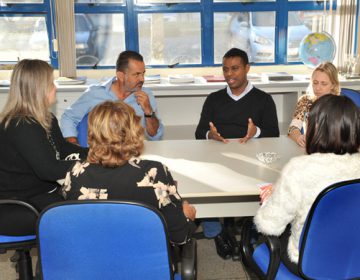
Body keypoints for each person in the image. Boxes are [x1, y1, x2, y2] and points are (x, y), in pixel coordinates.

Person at [62, 100, 196, 245]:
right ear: (134, 133)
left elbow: (70, 225)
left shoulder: (75, 173)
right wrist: (187, 217)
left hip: (90, 259)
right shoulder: (154, 173)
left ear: (92, 133)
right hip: (144, 263)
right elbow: (179, 237)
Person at [254, 94, 360, 275]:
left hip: (309, 263)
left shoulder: (299, 169)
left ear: (316, 127)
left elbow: (270, 224)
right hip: (355, 257)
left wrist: (272, 198)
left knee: (255, 240)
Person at [195, 48, 279, 260]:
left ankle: (253, 227)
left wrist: (256, 132)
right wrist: (210, 135)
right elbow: (199, 132)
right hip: (217, 158)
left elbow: (274, 134)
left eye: (235, 69)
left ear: (247, 69)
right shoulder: (213, 98)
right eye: (225, 69)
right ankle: (216, 231)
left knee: (270, 185)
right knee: (201, 188)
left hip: (251, 159)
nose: (229, 74)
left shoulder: (263, 100)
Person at [0, 59, 87, 215]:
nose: (55, 88)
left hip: (41, 195)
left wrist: (96, 152)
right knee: (86, 210)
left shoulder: (46, 117)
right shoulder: (21, 125)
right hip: (19, 205)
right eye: (51, 83)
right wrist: (91, 163)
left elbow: (63, 148)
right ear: (38, 89)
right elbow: (49, 170)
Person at [60, 50, 164, 144]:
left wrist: (148, 112)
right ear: (121, 75)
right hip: (100, 156)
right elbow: (68, 117)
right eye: (136, 74)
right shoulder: (95, 93)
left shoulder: (146, 95)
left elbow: (155, 136)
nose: (142, 79)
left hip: (132, 153)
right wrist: (73, 146)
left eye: (143, 73)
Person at [288, 61, 340, 147]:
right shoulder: (305, 101)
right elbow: (293, 128)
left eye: (324, 84)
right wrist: (298, 137)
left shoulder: (340, 104)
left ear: (333, 85)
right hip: (311, 149)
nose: (318, 88)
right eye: (315, 83)